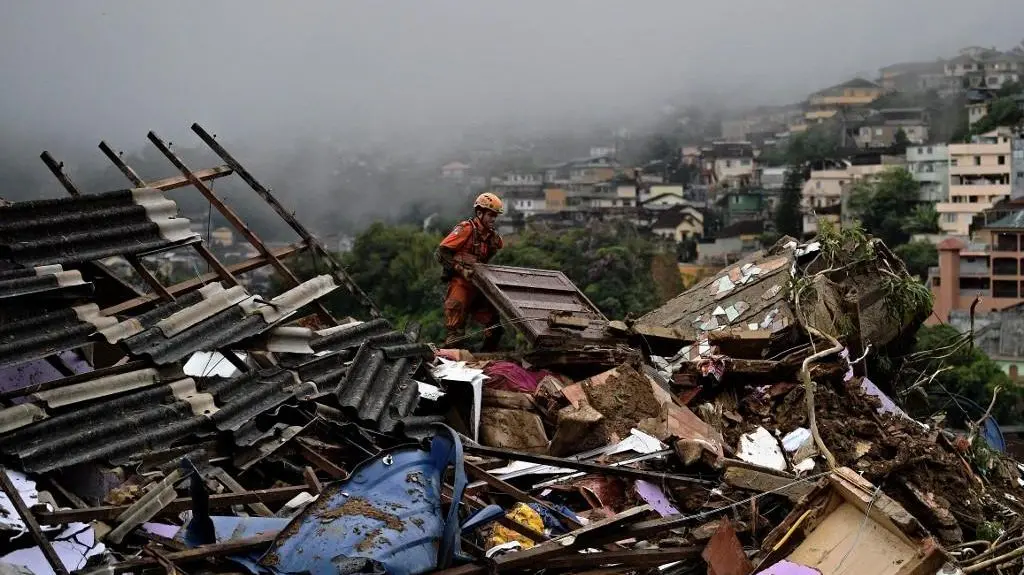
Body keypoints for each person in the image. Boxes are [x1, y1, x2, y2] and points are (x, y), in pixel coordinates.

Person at [435, 193, 505, 350]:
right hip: (461, 283)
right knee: (455, 331)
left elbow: (491, 255)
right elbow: (441, 253)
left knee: (494, 327)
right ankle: (452, 362)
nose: (493, 219)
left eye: (495, 216)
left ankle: (487, 360)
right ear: (479, 213)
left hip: (479, 285)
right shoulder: (466, 229)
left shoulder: (493, 238)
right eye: (490, 215)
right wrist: (460, 269)